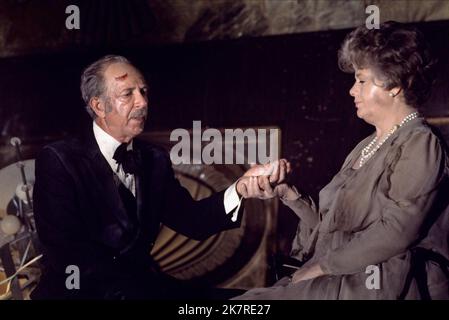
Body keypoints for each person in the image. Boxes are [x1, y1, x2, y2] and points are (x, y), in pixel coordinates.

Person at [31, 55, 290, 299]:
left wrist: (241, 189)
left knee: (252, 303)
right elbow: (67, 253)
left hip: (145, 288)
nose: (142, 102)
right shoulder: (58, 160)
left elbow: (193, 220)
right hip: (82, 295)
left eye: (143, 92)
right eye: (127, 93)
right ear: (98, 106)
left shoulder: (153, 158)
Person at [235, 21, 449, 300]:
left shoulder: (421, 142)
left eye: (361, 80)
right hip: (339, 279)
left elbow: (398, 231)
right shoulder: (365, 146)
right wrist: (289, 194)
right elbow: (330, 230)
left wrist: (319, 268)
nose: (351, 90)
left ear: (394, 85)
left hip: (377, 287)